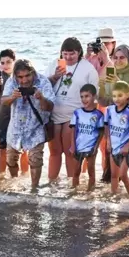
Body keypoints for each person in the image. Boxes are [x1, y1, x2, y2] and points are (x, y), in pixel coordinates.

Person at [47, 37, 99, 182]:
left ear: (79, 52)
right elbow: (44, 85)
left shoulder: (87, 68)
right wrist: (55, 76)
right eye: (65, 54)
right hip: (55, 112)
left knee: (70, 152)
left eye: (72, 54)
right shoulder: (54, 64)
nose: (68, 57)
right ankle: (51, 184)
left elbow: (94, 94)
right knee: (55, 152)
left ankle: (72, 186)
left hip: (75, 114)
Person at [1, 59, 55, 189]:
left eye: (27, 76)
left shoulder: (43, 82)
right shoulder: (11, 81)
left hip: (36, 127)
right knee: (10, 159)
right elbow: (3, 101)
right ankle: (15, 184)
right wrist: (12, 97)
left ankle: (34, 189)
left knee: (35, 160)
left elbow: (50, 107)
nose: (24, 80)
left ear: (33, 72)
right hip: (15, 128)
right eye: (20, 77)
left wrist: (41, 98)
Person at [0, 48, 27, 174]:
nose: (5, 65)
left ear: (14, 62)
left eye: (9, 62)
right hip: (4, 117)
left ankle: (24, 177)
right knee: (3, 149)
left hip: (21, 118)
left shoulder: (22, 77)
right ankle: (1, 178)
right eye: (2, 62)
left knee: (24, 150)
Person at [105, 82, 129, 195]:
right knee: (114, 175)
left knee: (123, 174)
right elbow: (107, 126)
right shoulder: (109, 110)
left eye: (120, 95)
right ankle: (114, 196)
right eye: (114, 96)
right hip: (114, 147)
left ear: (127, 95)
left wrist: (127, 146)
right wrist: (108, 141)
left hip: (127, 149)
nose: (116, 99)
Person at [69, 84, 104, 190]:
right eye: (82, 96)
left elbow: (101, 132)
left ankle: (90, 194)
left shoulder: (98, 115)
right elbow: (73, 131)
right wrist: (73, 146)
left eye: (87, 96)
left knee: (91, 172)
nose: (84, 99)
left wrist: (96, 147)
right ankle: (74, 192)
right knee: (75, 172)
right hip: (78, 147)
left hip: (91, 148)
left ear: (94, 96)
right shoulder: (77, 113)